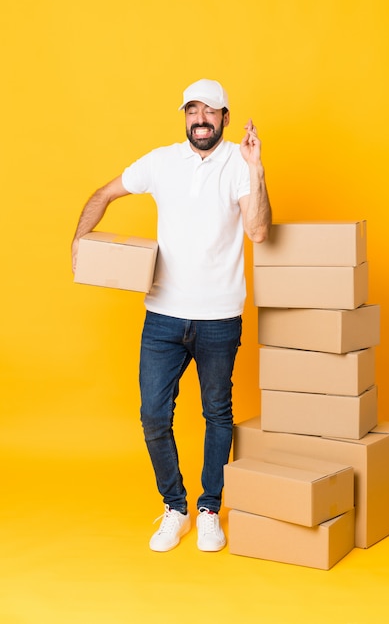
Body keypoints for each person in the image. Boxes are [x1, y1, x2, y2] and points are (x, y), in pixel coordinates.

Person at [71, 78, 272, 553]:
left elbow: (259, 231)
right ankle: (175, 507)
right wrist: (78, 240)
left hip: (219, 317)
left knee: (217, 414)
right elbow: (103, 193)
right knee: (153, 415)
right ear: (184, 116)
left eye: (210, 112)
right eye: (192, 111)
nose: (200, 119)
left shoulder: (239, 165)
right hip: (162, 316)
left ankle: (208, 510)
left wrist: (257, 168)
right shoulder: (161, 162)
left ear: (225, 117)